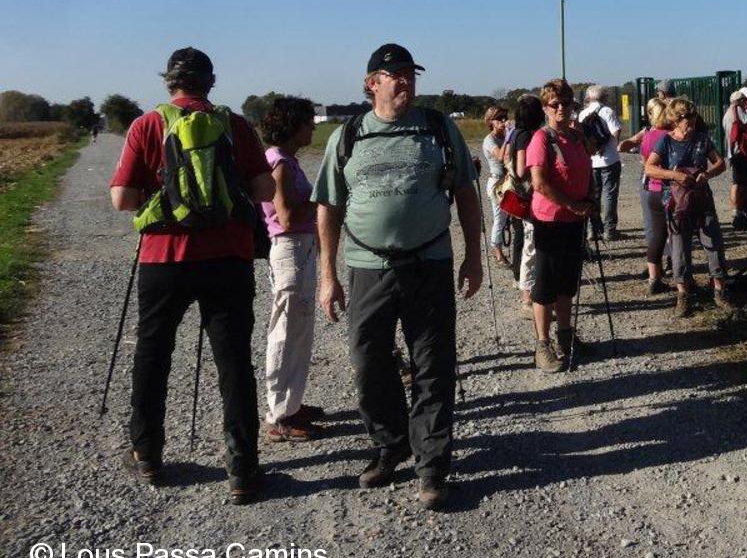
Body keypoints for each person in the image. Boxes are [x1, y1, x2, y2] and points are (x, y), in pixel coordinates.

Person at [313, 43, 482, 511]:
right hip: (368, 267)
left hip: (430, 263)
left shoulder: (438, 128)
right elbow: (328, 206)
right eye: (396, 74)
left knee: (433, 364)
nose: (406, 81)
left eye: (410, 73)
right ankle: (390, 445)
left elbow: (466, 194)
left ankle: (432, 465)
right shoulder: (348, 135)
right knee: (369, 361)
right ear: (372, 84)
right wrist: (327, 276)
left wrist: (473, 257)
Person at [109, 48, 274, 504]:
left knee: (153, 353)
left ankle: (147, 453)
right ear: (210, 82)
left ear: (169, 82)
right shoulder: (234, 125)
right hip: (228, 257)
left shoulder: (147, 125)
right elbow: (265, 189)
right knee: (234, 361)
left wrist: (161, 194)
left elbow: (122, 199)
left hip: (163, 259)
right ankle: (243, 469)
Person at [259, 95, 324, 443]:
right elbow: (285, 216)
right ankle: (279, 414)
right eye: (307, 122)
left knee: (298, 330)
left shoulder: (286, 161)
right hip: (290, 250)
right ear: (291, 126)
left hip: (299, 249)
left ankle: (290, 403)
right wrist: (321, 199)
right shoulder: (280, 163)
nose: (312, 127)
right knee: (286, 331)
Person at [525, 78, 594, 373]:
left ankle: (565, 334)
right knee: (546, 284)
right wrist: (571, 204)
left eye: (566, 103)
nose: (562, 108)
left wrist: (588, 201)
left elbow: (586, 169)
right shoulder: (541, 139)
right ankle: (542, 344)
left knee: (567, 281)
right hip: (550, 220)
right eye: (555, 104)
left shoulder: (576, 136)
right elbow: (539, 183)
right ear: (545, 108)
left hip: (575, 220)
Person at [645, 97, 731, 317]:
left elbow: (720, 163)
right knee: (679, 248)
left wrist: (708, 174)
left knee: (713, 242)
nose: (691, 120)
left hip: (702, 200)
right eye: (686, 117)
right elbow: (649, 168)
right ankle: (683, 295)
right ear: (675, 119)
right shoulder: (665, 142)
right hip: (676, 203)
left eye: (693, 115)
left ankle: (720, 291)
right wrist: (674, 175)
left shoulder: (702, 139)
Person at [620, 97, 673, 294]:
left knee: (654, 231)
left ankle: (654, 275)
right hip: (669, 187)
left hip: (650, 186)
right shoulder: (672, 135)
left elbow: (644, 160)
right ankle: (678, 271)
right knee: (675, 231)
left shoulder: (648, 135)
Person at [504, 93, 544, 318]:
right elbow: (521, 170)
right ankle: (527, 297)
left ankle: (528, 290)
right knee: (530, 246)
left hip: (521, 196)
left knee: (526, 242)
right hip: (528, 197)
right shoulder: (526, 136)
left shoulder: (515, 133)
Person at [579, 85, 623, 242]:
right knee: (609, 195)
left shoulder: (583, 113)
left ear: (588, 97)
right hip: (609, 159)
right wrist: (609, 145)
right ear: (604, 97)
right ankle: (609, 230)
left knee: (593, 195)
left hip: (591, 161)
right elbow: (616, 131)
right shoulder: (607, 111)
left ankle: (593, 229)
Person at [725, 87, 747, 229]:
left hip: (732, 153)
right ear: (739, 100)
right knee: (742, 185)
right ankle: (740, 214)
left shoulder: (727, 114)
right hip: (741, 152)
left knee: (737, 183)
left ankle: (737, 212)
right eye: (744, 99)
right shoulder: (738, 111)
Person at [481, 106, 511, 267]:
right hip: (497, 183)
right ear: (491, 121)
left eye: (505, 117)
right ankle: (497, 251)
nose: (503, 121)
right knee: (500, 218)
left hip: (509, 181)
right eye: (499, 118)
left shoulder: (506, 136)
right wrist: (509, 137)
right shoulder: (489, 140)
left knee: (510, 216)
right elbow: (500, 156)